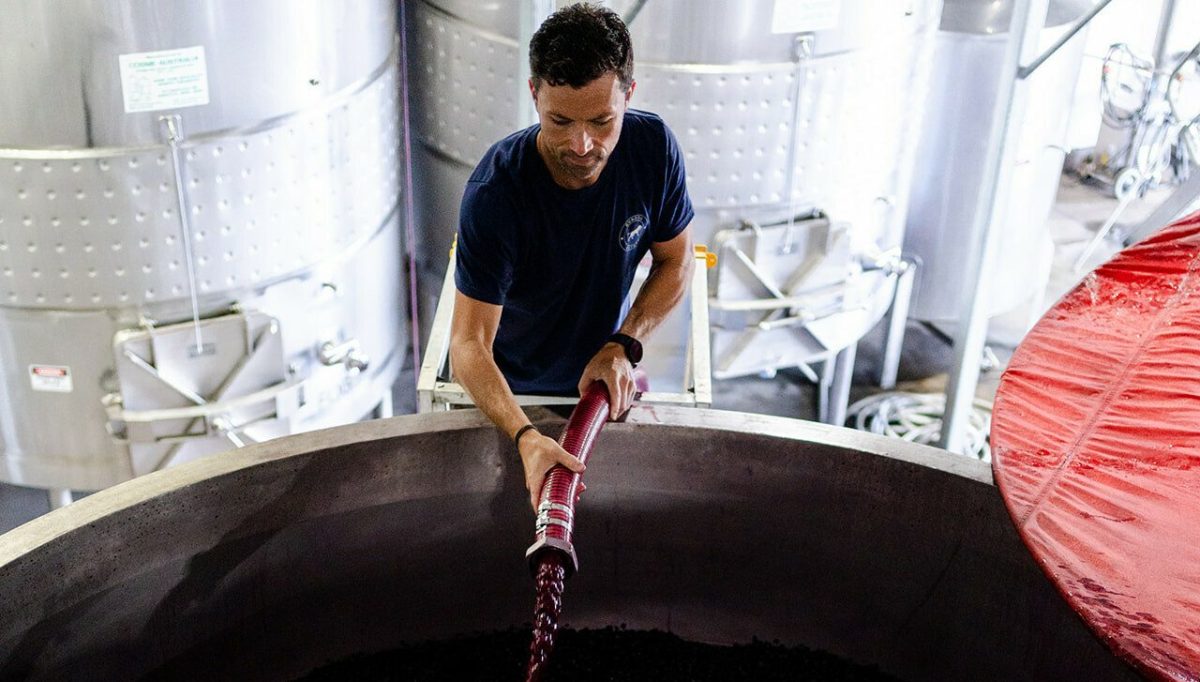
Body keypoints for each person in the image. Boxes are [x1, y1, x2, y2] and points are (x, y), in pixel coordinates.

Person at [449, 3, 694, 510]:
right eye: (559, 120)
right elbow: (469, 345)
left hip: (601, 374)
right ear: (534, 93)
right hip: (512, 393)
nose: (582, 144)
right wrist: (525, 437)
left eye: (602, 121)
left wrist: (624, 343)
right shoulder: (497, 195)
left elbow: (677, 260)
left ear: (630, 94)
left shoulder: (653, 149)